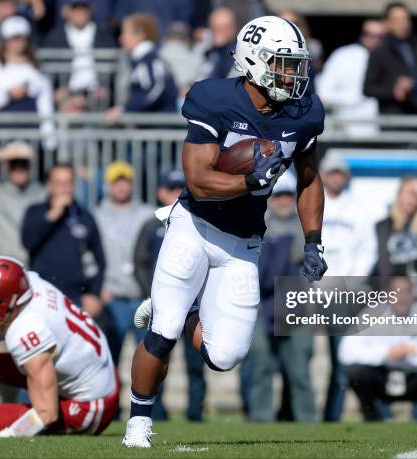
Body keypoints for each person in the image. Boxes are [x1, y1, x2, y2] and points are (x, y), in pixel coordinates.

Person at [122, 16, 327, 447]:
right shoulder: (214, 99)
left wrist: (313, 240)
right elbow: (198, 180)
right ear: (254, 62)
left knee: (226, 356)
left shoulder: (305, 112)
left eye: (295, 64)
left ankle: (178, 306)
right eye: (283, 63)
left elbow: (309, 178)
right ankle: (139, 419)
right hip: (194, 227)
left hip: (243, 244)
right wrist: (250, 181)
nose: (292, 74)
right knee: (164, 332)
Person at [0, 256, 119, 437]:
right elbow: (9, 317)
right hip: (99, 370)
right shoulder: (30, 283)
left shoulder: (28, 330)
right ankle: (7, 407)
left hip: (94, 405)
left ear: (4, 301)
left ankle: (1, 411)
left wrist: (3, 435)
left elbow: (47, 414)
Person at [133, 169, 207, 422]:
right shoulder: (153, 224)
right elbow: (140, 262)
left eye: (180, 188)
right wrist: (154, 297)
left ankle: (196, 413)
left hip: (194, 306)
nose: (176, 193)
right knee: (158, 357)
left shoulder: (198, 221)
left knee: (196, 364)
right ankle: (156, 412)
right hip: (163, 306)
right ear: (160, 192)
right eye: (171, 188)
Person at [246, 172, 316, 423]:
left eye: (288, 195)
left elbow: (305, 260)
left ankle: (308, 422)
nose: (284, 201)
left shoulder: (306, 224)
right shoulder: (258, 223)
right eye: (279, 196)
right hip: (263, 307)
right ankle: (261, 420)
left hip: (298, 307)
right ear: (271, 198)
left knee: (299, 371)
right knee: (261, 368)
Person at [340, 276, 417, 422]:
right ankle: (373, 417)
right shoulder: (370, 315)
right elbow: (346, 350)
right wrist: (386, 353)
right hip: (382, 377)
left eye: (406, 291)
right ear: (386, 294)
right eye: (396, 292)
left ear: (414, 293)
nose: (401, 297)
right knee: (355, 371)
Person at [319, 152, 377, 422]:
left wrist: (350, 284)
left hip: (344, 294)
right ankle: (296, 414)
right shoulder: (312, 202)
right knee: (298, 361)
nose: (335, 177)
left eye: (340, 173)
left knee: (340, 359)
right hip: (310, 291)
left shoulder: (359, 208)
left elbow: (368, 251)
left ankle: (333, 416)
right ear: (322, 174)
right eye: (331, 172)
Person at [21, 163, 105, 316]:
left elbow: (99, 258)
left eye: (68, 183)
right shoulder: (35, 211)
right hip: (41, 296)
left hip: (76, 298)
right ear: (49, 186)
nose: (63, 188)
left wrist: (94, 294)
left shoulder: (84, 216)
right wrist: (52, 215)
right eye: (58, 183)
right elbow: (28, 243)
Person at [94, 161, 153, 368]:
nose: (121, 186)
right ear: (108, 185)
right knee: (109, 361)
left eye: (125, 181)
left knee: (150, 361)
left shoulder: (148, 214)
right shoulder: (97, 216)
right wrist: (99, 288)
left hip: (143, 297)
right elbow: (90, 256)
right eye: (116, 182)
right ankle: (113, 402)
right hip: (112, 297)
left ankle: (154, 402)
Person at [0, 15, 56, 151]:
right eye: (13, 38)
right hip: (0, 137)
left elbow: (45, 107)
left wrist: (49, 141)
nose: (17, 43)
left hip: (31, 137)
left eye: (21, 38)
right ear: (5, 41)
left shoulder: (37, 70)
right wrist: (8, 95)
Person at [316, 19, 385, 137]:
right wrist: (356, 98)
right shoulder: (343, 55)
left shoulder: (390, 58)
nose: (375, 40)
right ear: (362, 35)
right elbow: (323, 93)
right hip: (345, 131)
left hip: (381, 132)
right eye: (369, 35)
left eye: (380, 36)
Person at [105, 14, 178, 123]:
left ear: (140, 35)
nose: (121, 39)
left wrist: (126, 109)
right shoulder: (143, 61)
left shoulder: (149, 61)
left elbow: (155, 89)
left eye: (125, 33)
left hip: (159, 128)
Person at [43, 0, 115, 108]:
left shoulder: (103, 35)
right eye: (75, 9)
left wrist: (106, 87)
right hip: (67, 91)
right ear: (67, 12)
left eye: (84, 9)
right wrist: (54, 91)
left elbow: (113, 64)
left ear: (90, 11)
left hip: (96, 92)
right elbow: (47, 66)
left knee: (100, 105)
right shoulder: (55, 37)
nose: (80, 13)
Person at [363, 2, 417, 115]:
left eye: (405, 19)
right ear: (387, 23)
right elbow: (368, 88)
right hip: (394, 120)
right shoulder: (379, 52)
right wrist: (393, 91)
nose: (403, 24)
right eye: (397, 20)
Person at [196, 7, 238, 82]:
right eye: (216, 27)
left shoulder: (238, 52)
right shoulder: (206, 49)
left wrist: (221, 47)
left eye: (224, 27)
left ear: (234, 28)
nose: (220, 31)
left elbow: (223, 74)